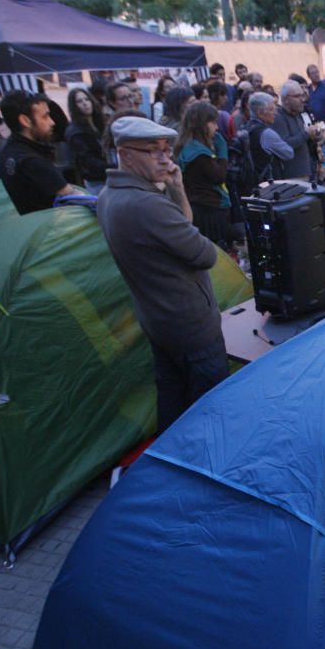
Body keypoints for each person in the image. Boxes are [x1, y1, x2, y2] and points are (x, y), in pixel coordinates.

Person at [98, 116, 226, 432]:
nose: (165, 158)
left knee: (172, 401)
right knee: (211, 414)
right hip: (190, 325)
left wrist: (178, 189)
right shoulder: (146, 205)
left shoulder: (107, 196)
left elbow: (183, 226)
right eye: (152, 150)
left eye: (167, 150)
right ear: (125, 154)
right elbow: (206, 253)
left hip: (158, 321)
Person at [0, 91, 75, 215]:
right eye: (45, 116)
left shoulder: (9, 151)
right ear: (25, 120)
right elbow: (73, 196)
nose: (52, 122)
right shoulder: (31, 161)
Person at [176, 102, 231, 249]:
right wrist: (223, 152)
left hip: (201, 208)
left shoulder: (188, 146)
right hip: (207, 211)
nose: (217, 127)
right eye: (213, 122)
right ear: (202, 124)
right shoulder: (198, 153)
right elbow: (219, 176)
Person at [273, 79, 325, 180]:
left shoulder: (298, 114)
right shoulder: (279, 117)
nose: (302, 99)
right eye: (297, 96)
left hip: (306, 172)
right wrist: (306, 133)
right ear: (285, 100)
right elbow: (285, 145)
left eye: (302, 95)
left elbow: (303, 140)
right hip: (291, 177)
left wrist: (316, 136)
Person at [66, 87, 109, 194]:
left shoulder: (99, 123)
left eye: (87, 99)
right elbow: (88, 162)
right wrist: (115, 166)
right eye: (79, 101)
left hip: (109, 175)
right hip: (96, 181)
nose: (85, 103)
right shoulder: (75, 132)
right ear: (74, 106)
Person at [246, 92, 295, 181]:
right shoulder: (267, 134)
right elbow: (289, 153)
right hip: (268, 185)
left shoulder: (246, 127)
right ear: (260, 113)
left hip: (251, 183)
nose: (275, 113)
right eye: (271, 110)